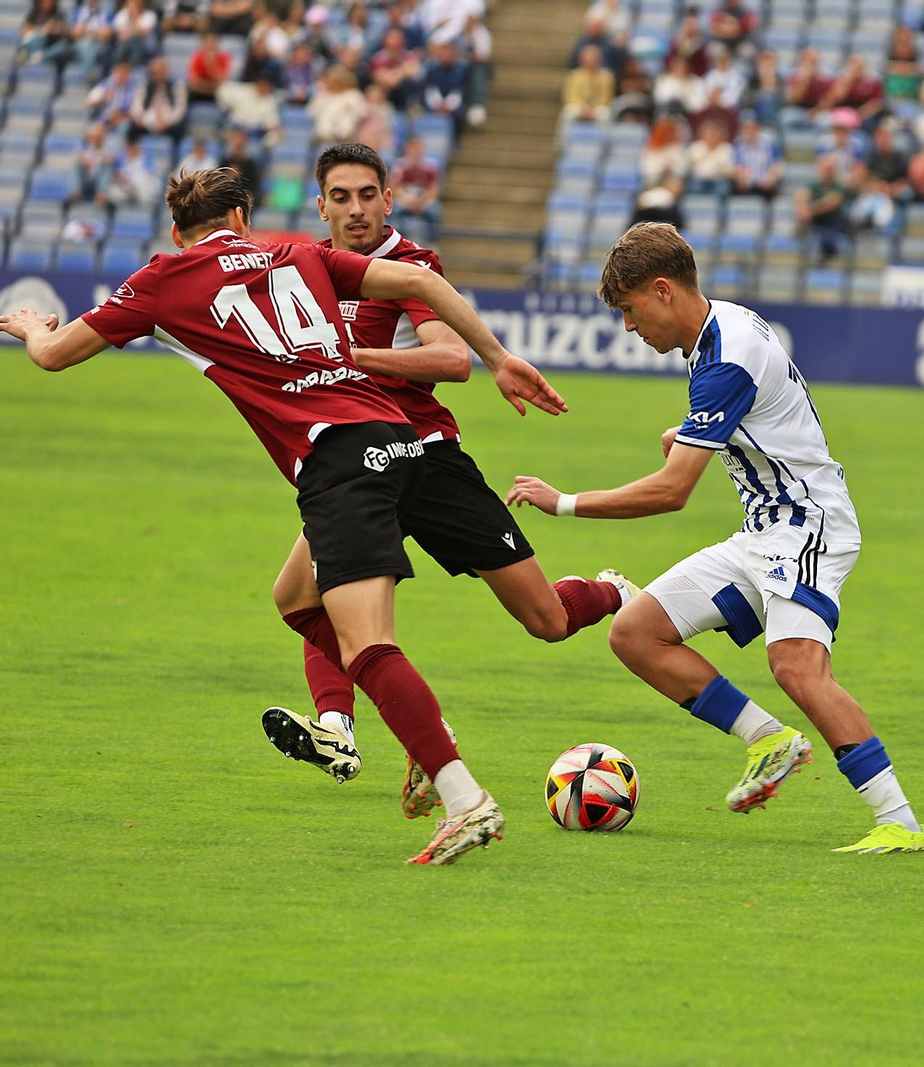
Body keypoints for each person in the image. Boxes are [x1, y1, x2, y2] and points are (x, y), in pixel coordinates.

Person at [1, 167, 567, 864]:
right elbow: (421, 283)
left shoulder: (161, 278)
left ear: (178, 233)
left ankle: (464, 798)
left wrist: (31, 327)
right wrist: (500, 357)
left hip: (339, 460)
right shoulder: (298, 252)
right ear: (241, 219)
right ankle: (422, 725)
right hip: (398, 438)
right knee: (296, 598)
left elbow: (54, 356)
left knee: (368, 647)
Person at [505, 222, 924, 855]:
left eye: (630, 310)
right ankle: (769, 739)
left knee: (797, 667)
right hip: (763, 530)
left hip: (806, 524)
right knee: (635, 633)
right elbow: (759, 410)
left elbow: (671, 491)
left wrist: (564, 502)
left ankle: (900, 823)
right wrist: (693, 433)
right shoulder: (721, 328)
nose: (629, 326)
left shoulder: (725, 354)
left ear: (663, 290)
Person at [262, 143, 634, 792]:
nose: (356, 209)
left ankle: (611, 592)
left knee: (546, 619)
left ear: (389, 199)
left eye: (367, 195)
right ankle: (339, 727)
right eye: (341, 197)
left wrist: (354, 357)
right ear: (320, 206)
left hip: (428, 459)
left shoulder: (411, 267)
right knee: (307, 593)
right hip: (358, 463)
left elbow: (451, 359)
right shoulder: (309, 269)